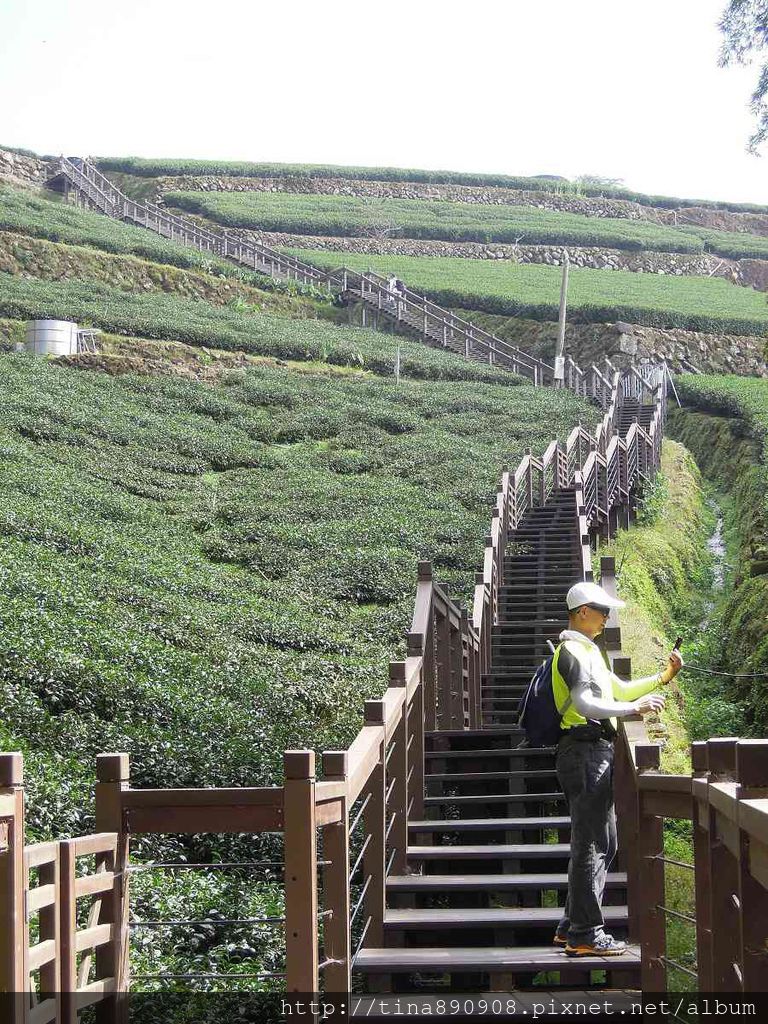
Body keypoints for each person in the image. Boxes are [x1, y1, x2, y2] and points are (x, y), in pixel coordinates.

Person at [551, 580, 683, 957]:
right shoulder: (573, 652)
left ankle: (570, 926)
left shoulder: (589, 652)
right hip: (583, 752)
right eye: (601, 609)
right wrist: (632, 710)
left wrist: (663, 677)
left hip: (591, 752)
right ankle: (584, 934)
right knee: (592, 842)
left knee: (602, 841)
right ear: (581, 612)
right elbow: (587, 703)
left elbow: (619, 690)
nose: (607, 616)